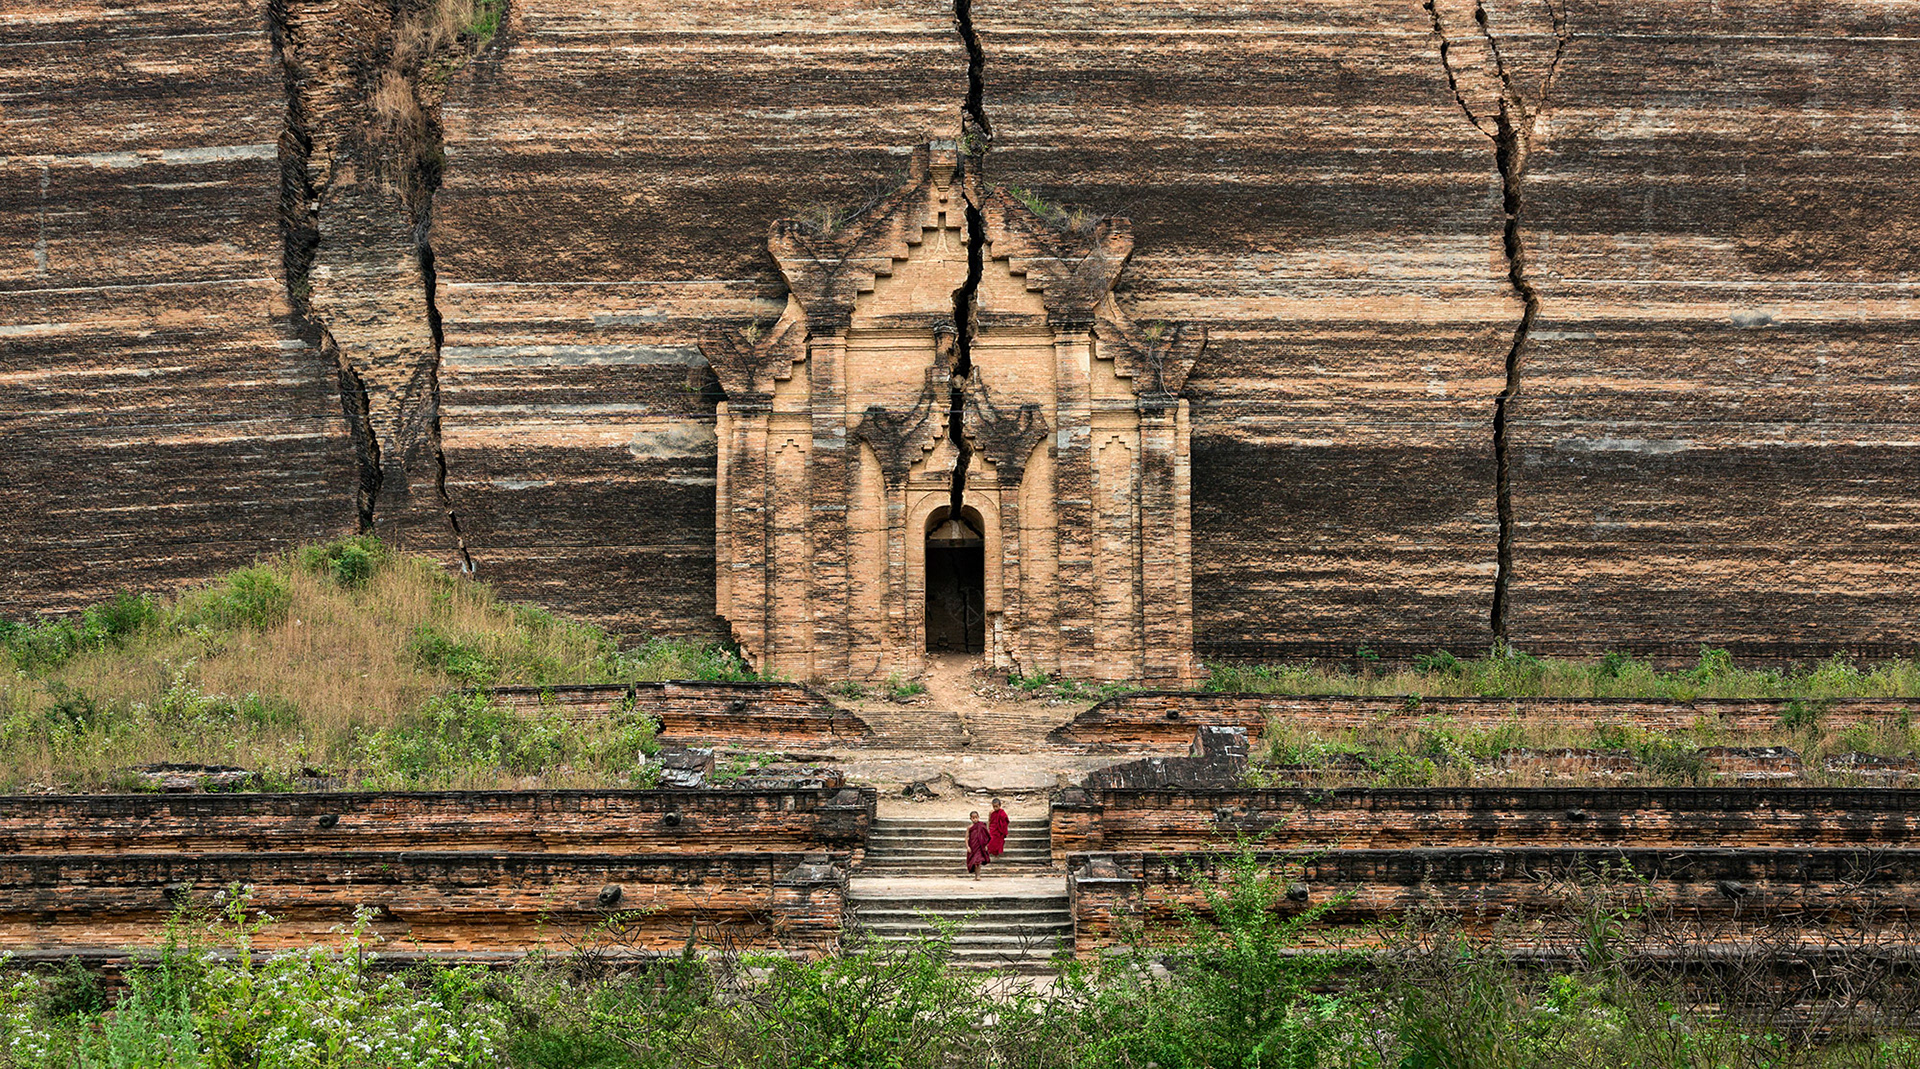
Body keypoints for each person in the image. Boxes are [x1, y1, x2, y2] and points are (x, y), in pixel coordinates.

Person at [965, 810, 991, 879]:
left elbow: (986, 836)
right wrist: (967, 846)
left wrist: (986, 845)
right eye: (973, 818)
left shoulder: (981, 826)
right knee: (974, 862)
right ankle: (976, 875)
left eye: (976, 817)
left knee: (978, 861)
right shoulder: (969, 828)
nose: (975, 819)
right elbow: (966, 837)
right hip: (973, 847)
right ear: (970, 819)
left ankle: (978, 875)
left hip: (980, 846)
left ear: (978, 817)